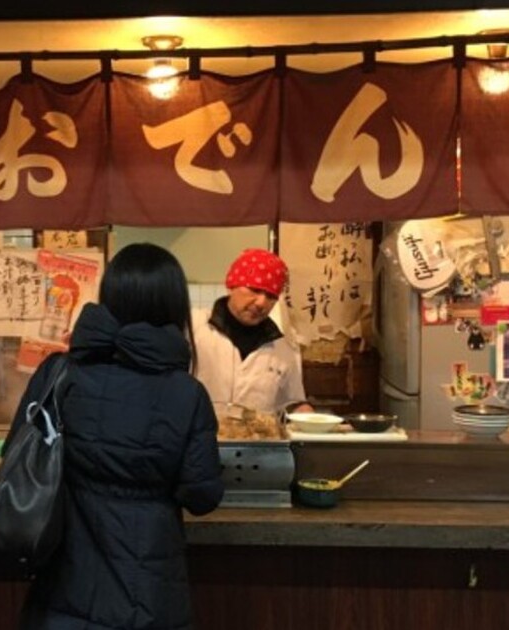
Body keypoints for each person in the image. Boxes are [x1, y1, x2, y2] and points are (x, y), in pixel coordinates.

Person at [18, 243, 224, 629]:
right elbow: (201, 496)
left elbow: (22, 456)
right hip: (148, 592)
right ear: (174, 308)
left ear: (108, 297)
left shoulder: (59, 373)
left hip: (65, 583)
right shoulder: (185, 393)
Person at [193, 248, 311, 413]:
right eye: (254, 290)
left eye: (271, 296)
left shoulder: (284, 349)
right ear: (231, 285)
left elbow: (293, 403)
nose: (261, 303)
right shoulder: (194, 328)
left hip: (257, 437)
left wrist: (310, 419)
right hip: (198, 437)